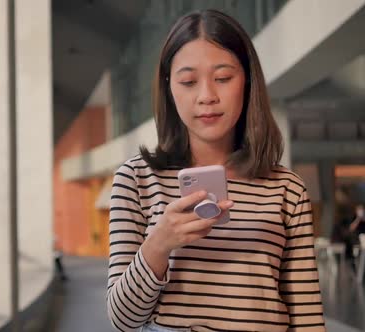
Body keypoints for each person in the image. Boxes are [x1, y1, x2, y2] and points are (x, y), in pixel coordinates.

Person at [106, 9, 325, 332]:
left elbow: (306, 315)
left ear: (247, 81)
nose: (207, 96)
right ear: (169, 88)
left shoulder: (286, 187)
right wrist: (159, 243)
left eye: (223, 78)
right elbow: (123, 320)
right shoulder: (137, 179)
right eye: (188, 82)